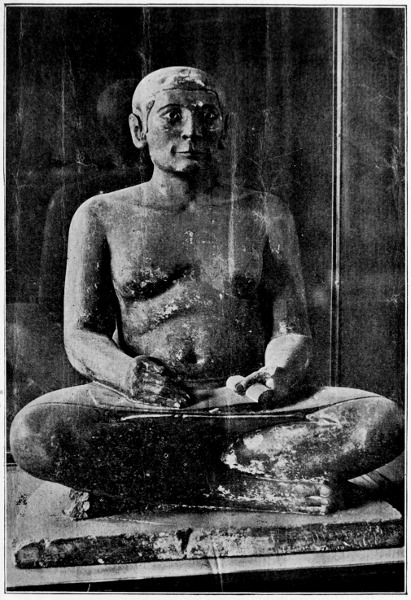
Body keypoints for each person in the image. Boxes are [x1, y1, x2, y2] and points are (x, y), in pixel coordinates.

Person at [10, 67, 403, 516]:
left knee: (382, 421)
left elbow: (291, 329)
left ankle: (153, 483)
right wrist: (128, 375)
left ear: (224, 129)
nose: (191, 131)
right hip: (145, 409)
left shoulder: (264, 213)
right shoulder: (100, 215)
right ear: (139, 129)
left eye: (207, 117)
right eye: (172, 116)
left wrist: (277, 370)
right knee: (34, 434)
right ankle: (240, 486)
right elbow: (81, 334)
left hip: (244, 405)